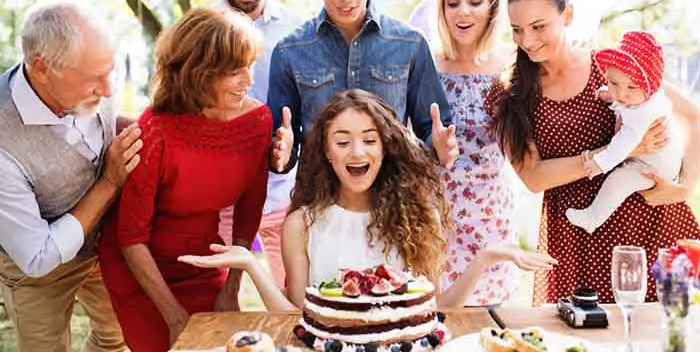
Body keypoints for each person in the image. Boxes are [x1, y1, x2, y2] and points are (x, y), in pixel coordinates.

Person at [179, 89, 556, 310]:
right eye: (342, 141)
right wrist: (251, 266)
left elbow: (434, 309)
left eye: (369, 140)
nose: (356, 151)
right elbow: (295, 317)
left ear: (386, 148)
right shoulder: (303, 223)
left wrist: (487, 257)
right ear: (327, 152)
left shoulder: (418, 214)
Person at [488, 0, 700, 304]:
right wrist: (615, 151)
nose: (527, 41)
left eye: (539, 26)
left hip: (650, 216)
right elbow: (533, 176)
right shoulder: (509, 93)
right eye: (517, 30)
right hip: (578, 234)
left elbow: (693, 115)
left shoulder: (612, 68)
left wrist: (685, 186)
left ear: (567, 15)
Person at [97, 8, 272, 351]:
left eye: (249, 66)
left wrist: (231, 288)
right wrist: (175, 317)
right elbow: (130, 237)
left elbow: (249, 211)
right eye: (236, 71)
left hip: (204, 262)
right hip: (141, 269)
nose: (249, 82)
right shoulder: (155, 130)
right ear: (200, 73)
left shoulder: (258, 122)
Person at [267, 0, 458, 175]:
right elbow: (282, 144)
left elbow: (432, 131)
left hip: (393, 203)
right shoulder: (289, 52)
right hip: (320, 205)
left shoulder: (410, 44)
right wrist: (281, 154)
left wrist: (440, 149)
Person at [0, 2, 141, 352]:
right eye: (95, 79)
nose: (108, 90)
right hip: (35, 267)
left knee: (116, 338)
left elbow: (99, 126)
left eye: (110, 72)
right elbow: (37, 257)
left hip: (102, 245)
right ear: (42, 69)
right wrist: (109, 182)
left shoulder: (94, 76)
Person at [209, 0, 302, 288]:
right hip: (217, 204)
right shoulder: (200, 31)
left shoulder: (298, 30)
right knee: (214, 310)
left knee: (298, 309)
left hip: (288, 200)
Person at [433, 0, 520, 306]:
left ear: (492, 8)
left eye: (475, 1)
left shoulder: (511, 63)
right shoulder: (428, 61)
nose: (463, 12)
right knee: (436, 319)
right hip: (438, 214)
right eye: (452, 3)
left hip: (491, 214)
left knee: (489, 318)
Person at [566, 31, 683, 233]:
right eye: (613, 83)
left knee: (618, 180)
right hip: (650, 157)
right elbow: (623, 97)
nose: (620, 93)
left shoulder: (644, 114)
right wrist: (608, 94)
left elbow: (622, 144)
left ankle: (592, 218)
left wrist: (599, 164)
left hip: (654, 169)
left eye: (630, 87)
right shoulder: (637, 97)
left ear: (648, 89)